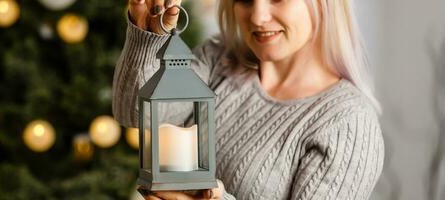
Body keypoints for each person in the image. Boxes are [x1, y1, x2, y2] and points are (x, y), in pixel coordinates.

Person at [113, 0, 385, 199]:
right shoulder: (217, 61)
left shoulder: (346, 123)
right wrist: (147, 31)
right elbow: (134, 113)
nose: (258, 16)